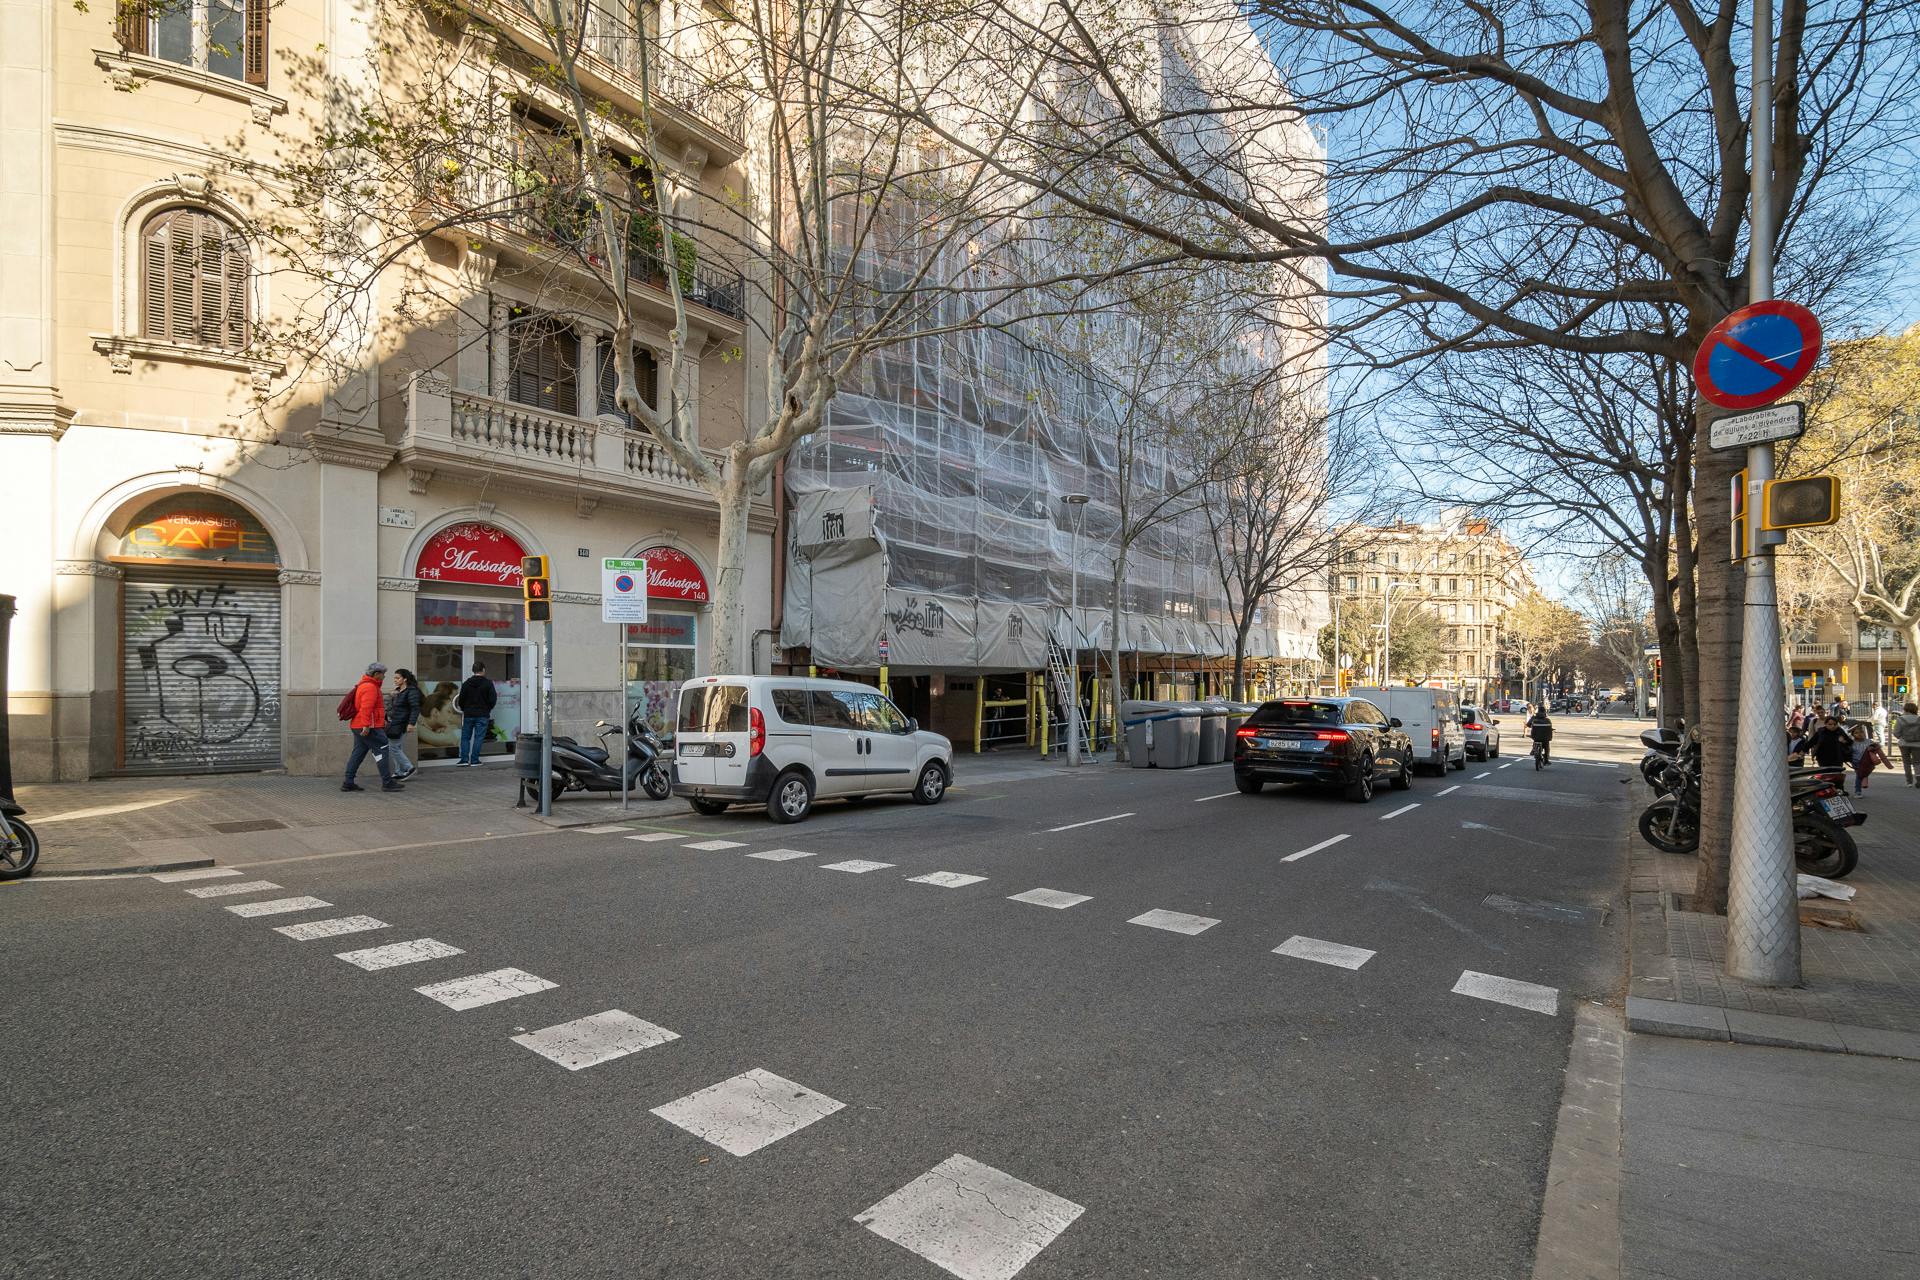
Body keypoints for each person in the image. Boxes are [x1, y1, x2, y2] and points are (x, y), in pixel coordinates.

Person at [344, 662, 403, 792]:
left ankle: (348, 782)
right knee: (382, 749)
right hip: (369, 727)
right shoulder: (370, 687)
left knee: (358, 753)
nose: (384, 676)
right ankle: (387, 782)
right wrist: (366, 725)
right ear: (376, 674)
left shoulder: (364, 685)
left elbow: (373, 709)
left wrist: (381, 721)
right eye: (383, 674)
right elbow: (367, 708)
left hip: (359, 725)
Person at [383, 668, 424, 781]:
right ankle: (399, 771)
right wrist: (391, 696)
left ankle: (409, 768)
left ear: (405, 679)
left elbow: (415, 708)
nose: (395, 680)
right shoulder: (398, 691)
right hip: (395, 722)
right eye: (394, 678)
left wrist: (411, 723)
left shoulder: (411, 691)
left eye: (397, 678)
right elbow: (389, 706)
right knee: (397, 747)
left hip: (402, 723)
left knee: (393, 747)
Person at [456, 661, 497, 766]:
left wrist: (465, 709)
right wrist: (487, 709)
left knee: (465, 738)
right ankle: (474, 760)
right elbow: (493, 699)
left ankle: (464, 760)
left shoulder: (466, 683)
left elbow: (461, 700)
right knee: (478, 738)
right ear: (483, 670)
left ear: (473, 671)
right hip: (482, 714)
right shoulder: (488, 683)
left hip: (468, 714)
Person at [1849, 724, 1888, 796]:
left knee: (1863, 774)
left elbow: (1877, 747)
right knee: (1859, 775)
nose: (1859, 734)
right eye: (1856, 733)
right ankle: (1858, 791)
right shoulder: (1851, 743)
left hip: (1867, 762)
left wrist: (1874, 747)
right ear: (1853, 735)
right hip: (1856, 762)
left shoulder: (1869, 742)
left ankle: (1863, 783)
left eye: (1861, 732)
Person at [1893, 701, 1920, 787]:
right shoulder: (1919, 719)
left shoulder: (1900, 719)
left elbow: (1896, 733)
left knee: (1906, 762)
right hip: (1917, 744)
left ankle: (1909, 782)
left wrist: (1901, 737)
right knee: (1917, 762)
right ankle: (1918, 778)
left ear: (1905, 709)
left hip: (1904, 744)